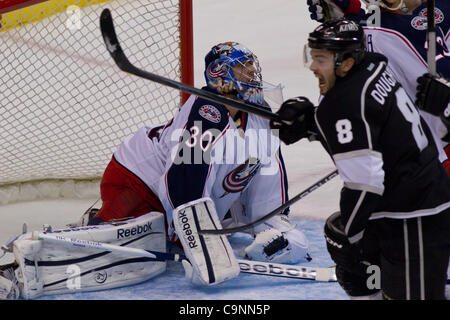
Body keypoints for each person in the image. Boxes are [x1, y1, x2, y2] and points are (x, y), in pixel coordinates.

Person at [271, 19, 450, 299]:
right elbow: (371, 129)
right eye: (312, 55)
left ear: (346, 63)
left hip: (413, 215)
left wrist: (351, 235)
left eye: (321, 59)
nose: (312, 67)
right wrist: (314, 124)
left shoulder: (342, 105)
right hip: (418, 198)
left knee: (349, 242)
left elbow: (365, 184)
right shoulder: (375, 65)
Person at [307, 0, 450, 175]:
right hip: (424, 164)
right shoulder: (387, 30)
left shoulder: (390, 31)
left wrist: (351, 21)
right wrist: (351, 21)